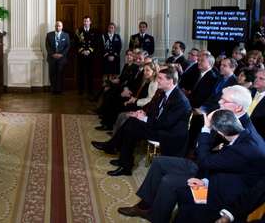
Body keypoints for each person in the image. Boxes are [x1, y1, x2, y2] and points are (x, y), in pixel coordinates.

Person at [116, 85, 260, 221]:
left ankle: (156, 217)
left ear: (238, 107)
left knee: (169, 181)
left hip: (216, 177)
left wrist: (206, 129)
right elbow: (205, 150)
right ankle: (144, 206)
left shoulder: (245, 136)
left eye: (224, 100)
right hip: (208, 164)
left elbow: (211, 159)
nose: (219, 101)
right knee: (160, 162)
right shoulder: (225, 116)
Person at [91, 66, 192, 176]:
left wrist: (144, 118)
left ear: (170, 81)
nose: (157, 81)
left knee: (132, 126)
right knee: (132, 122)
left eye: (160, 78)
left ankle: (119, 156)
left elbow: (166, 123)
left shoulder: (180, 100)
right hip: (160, 127)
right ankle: (123, 161)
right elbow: (154, 109)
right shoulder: (163, 91)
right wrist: (142, 113)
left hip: (170, 134)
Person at [45, 21, 70, 94]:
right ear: (55, 26)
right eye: (56, 26)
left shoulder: (66, 35)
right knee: (52, 74)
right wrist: (53, 54)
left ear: (62, 27)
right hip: (52, 58)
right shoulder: (49, 35)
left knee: (60, 74)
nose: (58, 27)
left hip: (62, 58)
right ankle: (53, 89)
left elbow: (67, 46)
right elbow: (47, 46)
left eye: (59, 26)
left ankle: (60, 90)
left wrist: (61, 54)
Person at [75, 15, 97, 95]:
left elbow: (96, 43)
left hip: (91, 56)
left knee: (90, 73)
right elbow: (76, 43)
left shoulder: (94, 31)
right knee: (81, 74)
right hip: (81, 55)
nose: (86, 23)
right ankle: (81, 90)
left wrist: (89, 51)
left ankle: (90, 90)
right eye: (84, 21)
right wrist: (82, 51)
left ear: (90, 22)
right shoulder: (79, 31)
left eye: (87, 21)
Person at [249, 69, 265, 140]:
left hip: (255, 136)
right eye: (256, 77)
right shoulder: (249, 91)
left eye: (261, 78)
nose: (256, 80)